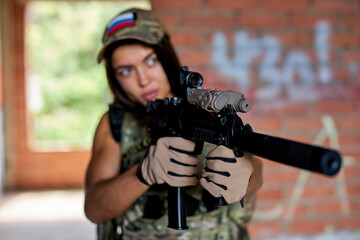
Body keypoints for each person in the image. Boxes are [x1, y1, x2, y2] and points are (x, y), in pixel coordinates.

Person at [84, 8, 263, 240]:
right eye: (126, 70)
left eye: (150, 61)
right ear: (114, 78)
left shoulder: (205, 106)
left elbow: (253, 167)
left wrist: (248, 176)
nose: (143, 79)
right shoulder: (116, 123)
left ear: (166, 56)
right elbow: (94, 208)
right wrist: (142, 173)